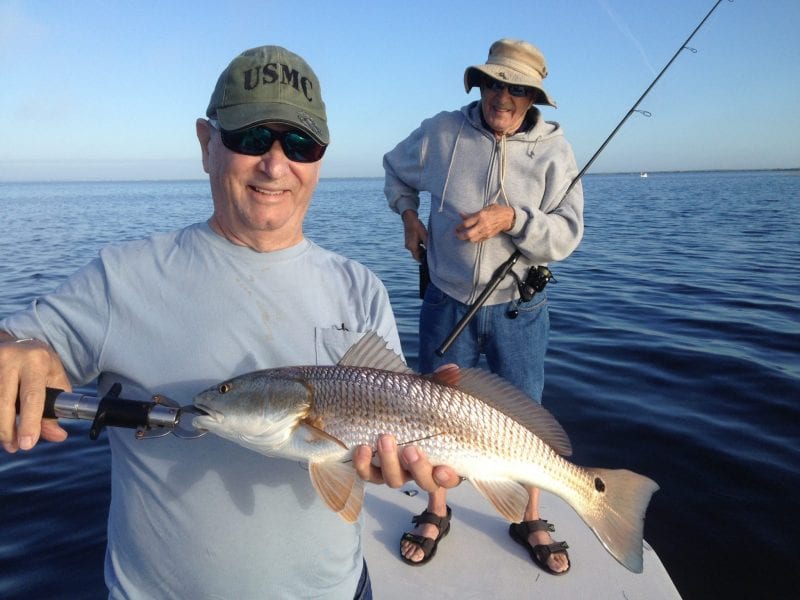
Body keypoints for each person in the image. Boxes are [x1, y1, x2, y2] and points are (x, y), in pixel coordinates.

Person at [0, 45, 459, 599]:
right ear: (205, 143)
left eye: (299, 143)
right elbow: (24, 344)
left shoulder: (362, 287)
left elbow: (383, 428)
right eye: (248, 136)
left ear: (319, 158)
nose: (274, 163)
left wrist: (407, 458)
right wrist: (20, 348)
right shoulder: (122, 276)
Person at [383, 39, 584, 575]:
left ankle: (530, 516)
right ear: (481, 84)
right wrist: (409, 218)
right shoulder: (442, 132)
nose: (504, 97)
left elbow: (566, 234)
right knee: (429, 409)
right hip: (446, 301)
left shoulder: (554, 149)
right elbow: (395, 171)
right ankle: (435, 508)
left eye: (518, 88)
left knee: (528, 415)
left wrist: (511, 219)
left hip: (519, 307)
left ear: (533, 96)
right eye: (496, 83)